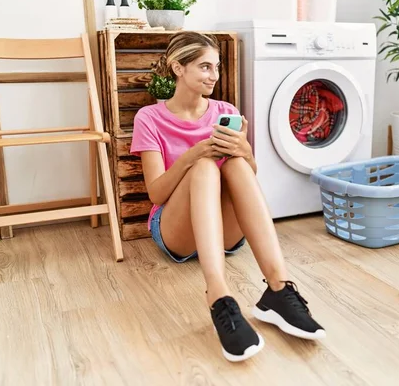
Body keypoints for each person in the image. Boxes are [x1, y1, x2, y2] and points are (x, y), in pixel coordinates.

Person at [129, 31, 325, 362]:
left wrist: (245, 151)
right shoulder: (149, 118)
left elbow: (247, 176)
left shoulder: (225, 110)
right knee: (205, 166)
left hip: (225, 232)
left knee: (234, 163)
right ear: (178, 67)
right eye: (205, 67)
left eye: (216, 67)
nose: (214, 76)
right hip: (175, 231)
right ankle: (219, 296)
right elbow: (156, 192)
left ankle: (278, 288)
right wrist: (195, 155)